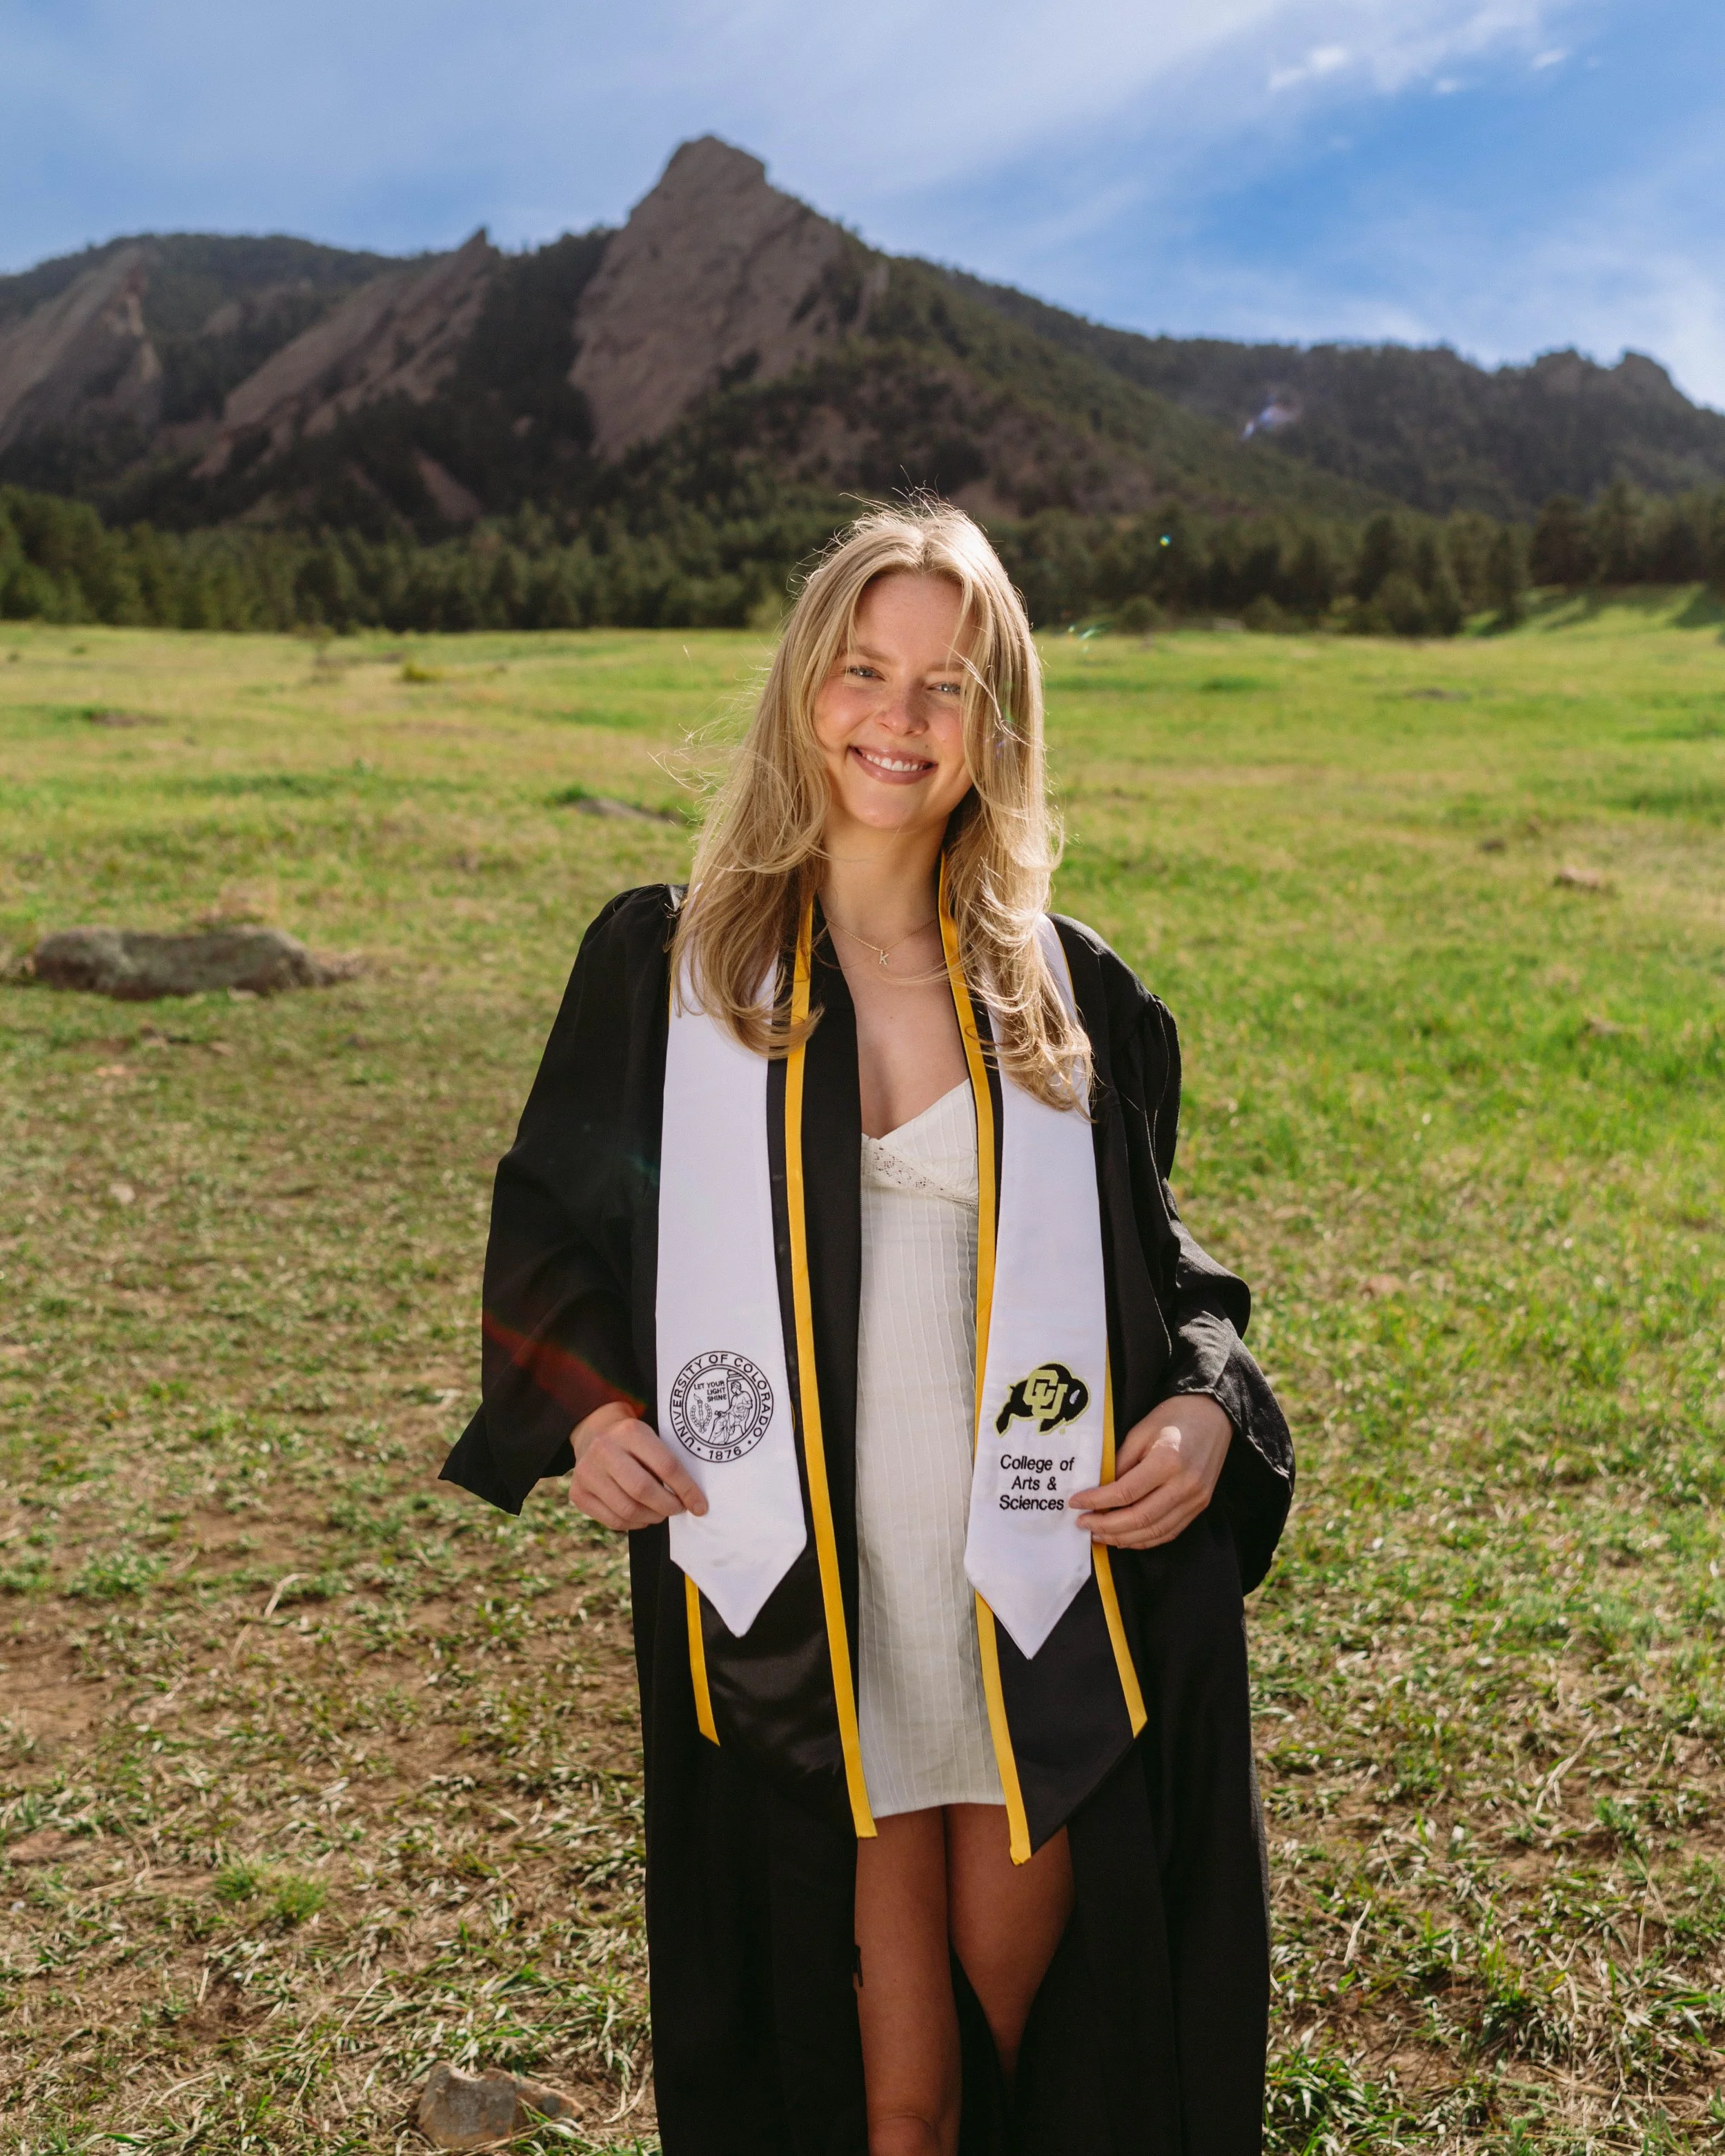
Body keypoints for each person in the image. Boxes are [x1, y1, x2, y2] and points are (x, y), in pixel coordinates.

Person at [441, 501, 1294, 2155]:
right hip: (801, 1605)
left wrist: (1203, 1408)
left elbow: (1167, 1279)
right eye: (862, 670)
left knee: (1020, 2013)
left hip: (1022, 1592)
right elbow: (554, 1227)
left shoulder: (1065, 993)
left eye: (945, 685)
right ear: (801, 689)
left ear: (996, 726)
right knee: (892, 2098)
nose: (895, 720)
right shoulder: (673, 965)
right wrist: (596, 1416)